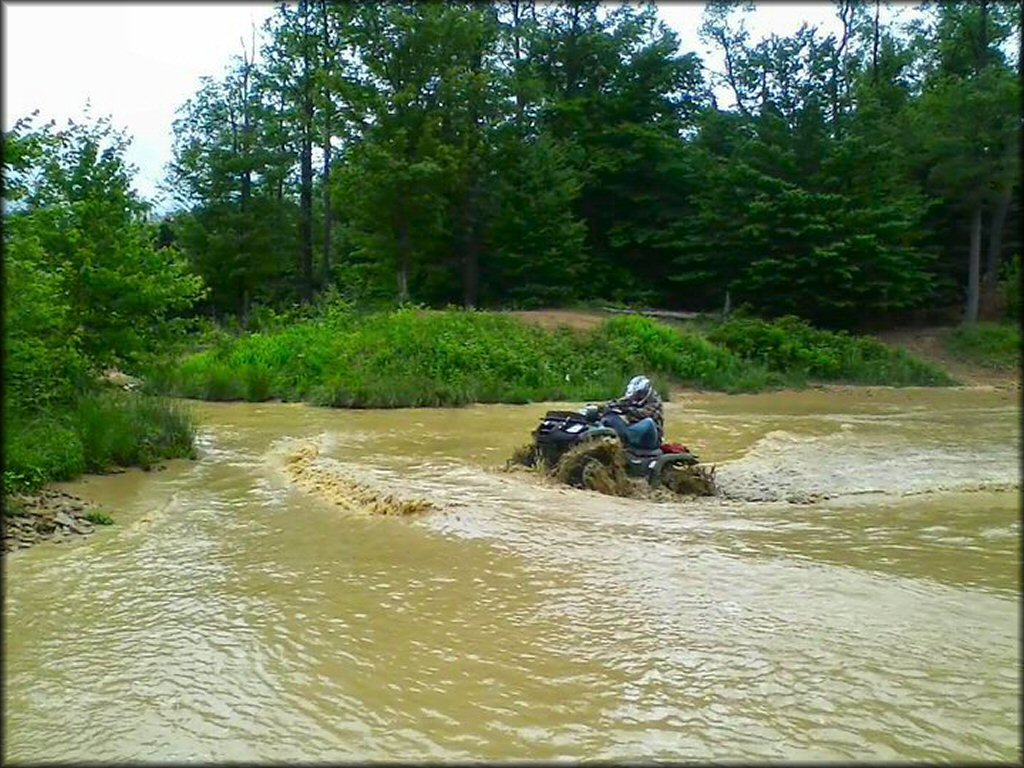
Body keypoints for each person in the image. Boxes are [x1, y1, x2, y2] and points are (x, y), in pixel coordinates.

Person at [599, 374, 664, 450]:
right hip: (634, 431)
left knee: (648, 422)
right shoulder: (632, 398)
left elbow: (645, 414)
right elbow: (619, 402)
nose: (635, 397)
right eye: (635, 395)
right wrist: (602, 407)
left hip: (651, 437)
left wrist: (628, 409)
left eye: (638, 394)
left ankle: (625, 438)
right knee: (610, 416)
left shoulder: (655, 401)